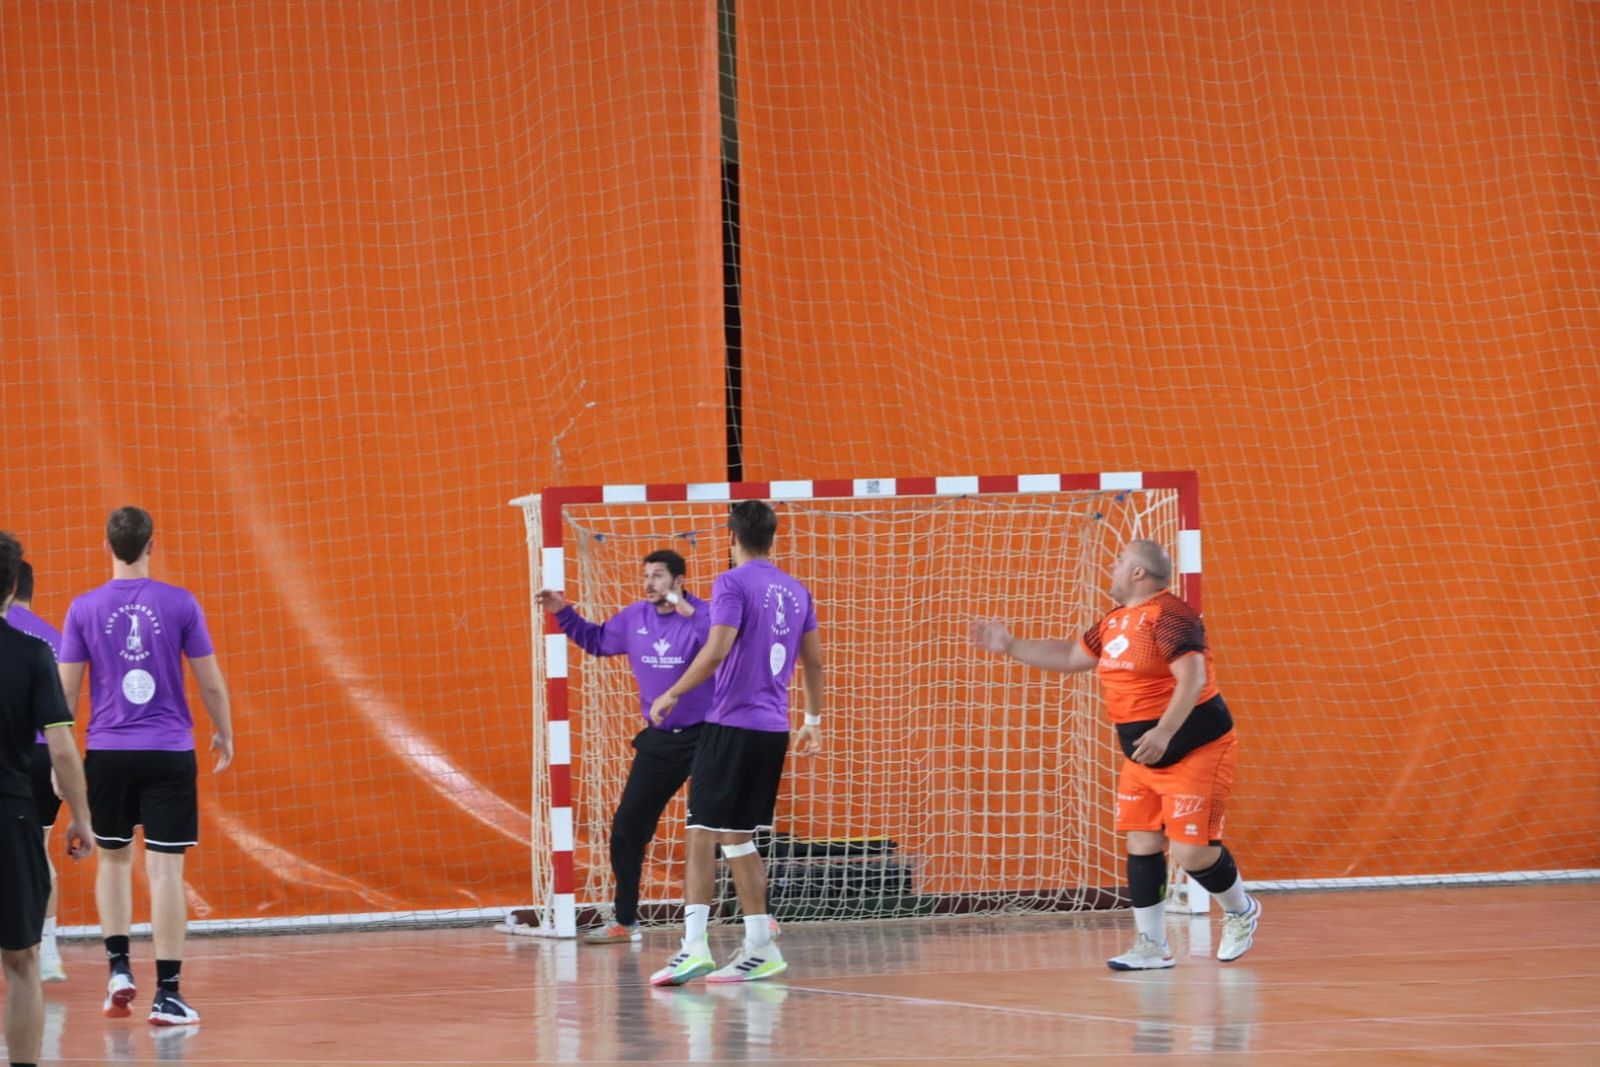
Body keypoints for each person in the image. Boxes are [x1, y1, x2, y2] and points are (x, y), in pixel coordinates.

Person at [968, 539, 1261, 970]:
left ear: (1138, 573)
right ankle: (1152, 945)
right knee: (1141, 842)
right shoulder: (1113, 621)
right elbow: (1071, 655)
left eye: (1120, 561)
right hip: (1144, 756)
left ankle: (1240, 911)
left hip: (1196, 748)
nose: (1112, 566)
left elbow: (1193, 677)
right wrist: (1010, 645)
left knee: (1191, 853)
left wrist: (1164, 731)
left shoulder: (1170, 615)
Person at [57, 507, 235, 1026]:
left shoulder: (83, 608)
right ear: (152, 545)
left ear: (106, 545)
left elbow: (65, 695)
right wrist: (224, 731)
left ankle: (118, 970)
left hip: (107, 754)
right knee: (165, 871)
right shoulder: (180, 603)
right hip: (168, 752)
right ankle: (168, 995)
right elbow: (209, 681)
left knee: (113, 861)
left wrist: (59, 759)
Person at [647, 500, 823, 986]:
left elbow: (717, 649)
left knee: (701, 831)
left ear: (731, 537)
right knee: (738, 838)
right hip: (773, 730)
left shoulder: (731, 582)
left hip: (731, 725)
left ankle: (693, 946)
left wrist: (672, 692)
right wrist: (812, 720)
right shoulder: (797, 589)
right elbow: (813, 662)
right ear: (772, 539)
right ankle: (761, 948)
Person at [535, 550, 715, 944]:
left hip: (709, 736)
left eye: (658, 576)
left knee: (721, 831)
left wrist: (686, 610)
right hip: (660, 740)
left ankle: (758, 918)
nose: (649, 583)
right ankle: (626, 920)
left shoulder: (703, 615)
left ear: (679, 580)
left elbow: (721, 646)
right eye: (646, 575)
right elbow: (597, 641)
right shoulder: (635, 618)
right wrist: (563, 612)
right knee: (627, 828)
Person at [0, 532, 93, 1067]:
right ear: (13, 585)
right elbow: (61, 746)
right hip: (11, 807)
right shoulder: (37, 651)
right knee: (20, 962)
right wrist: (81, 816)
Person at [3, 563, 69, 983]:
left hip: (12, 754)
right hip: (48, 756)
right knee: (38, 851)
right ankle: (47, 953)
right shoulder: (54, 638)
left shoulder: (6, 633)